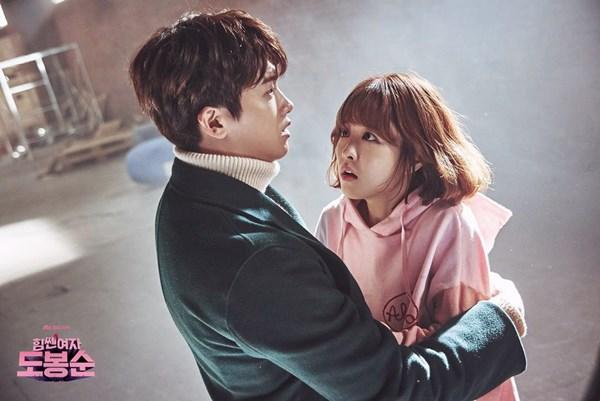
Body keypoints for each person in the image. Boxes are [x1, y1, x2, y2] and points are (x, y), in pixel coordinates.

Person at [128, 9, 526, 401]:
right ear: (215, 123)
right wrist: (499, 317)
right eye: (268, 92)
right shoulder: (258, 261)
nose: (287, 104)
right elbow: (396, 390)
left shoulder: (191, 197)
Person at [315, 73, 522, 401]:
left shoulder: (448, 224)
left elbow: (461, 352)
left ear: (417, 156)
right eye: (344, 132)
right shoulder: (332, 221)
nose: (347, 150)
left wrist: (359, 351)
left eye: (370, 137)